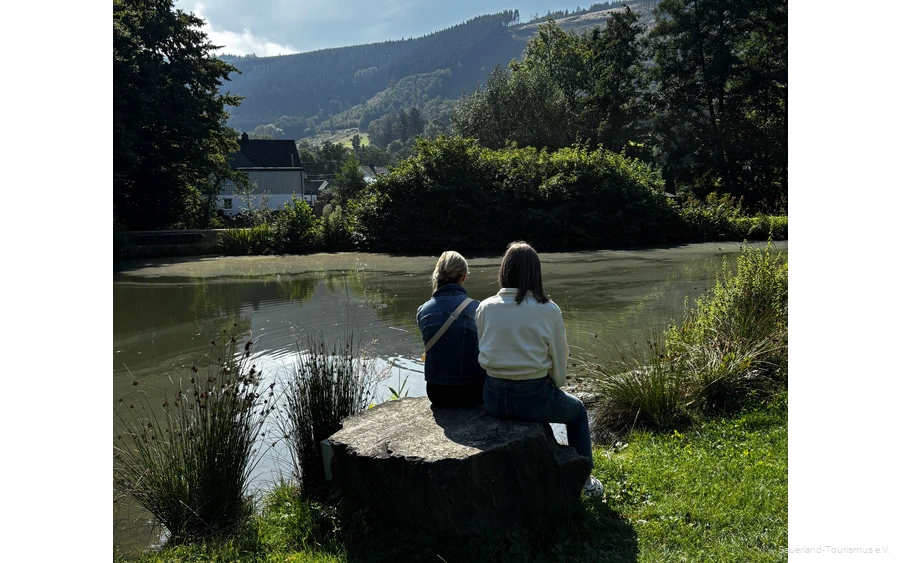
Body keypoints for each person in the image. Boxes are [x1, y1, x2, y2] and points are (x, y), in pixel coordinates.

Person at [475, 241, 604, 498]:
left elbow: (485, 348)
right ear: (536, 273)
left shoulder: (485, 307)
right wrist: (555, 386)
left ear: (504, 270)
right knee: (577, 412)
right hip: (533, 396)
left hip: (493, 397)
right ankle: (585, 481)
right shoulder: (549, 310)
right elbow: (559, 358)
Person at [416, 251, 487, 408]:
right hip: (473, 391)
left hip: (437, 393)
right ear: (463, 278)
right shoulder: (477, 308)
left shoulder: (423, 310)